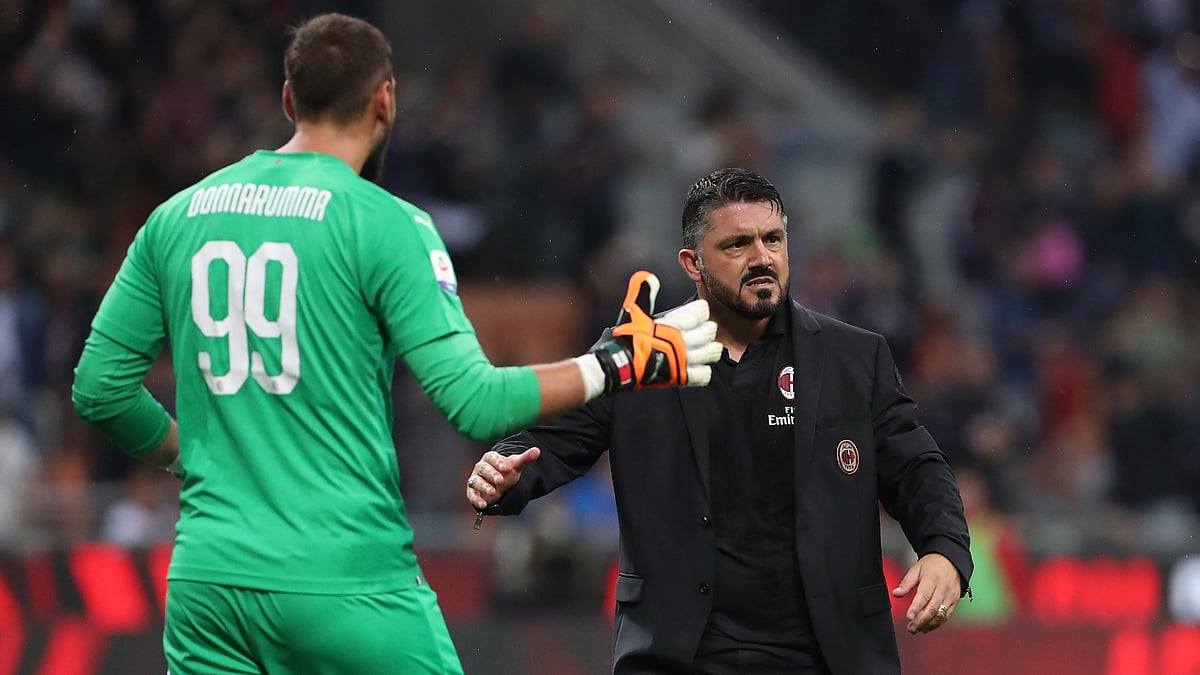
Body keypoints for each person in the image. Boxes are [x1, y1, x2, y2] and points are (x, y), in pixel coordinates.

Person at [69, 13, 720, 675]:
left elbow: (99, 389)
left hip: (209, 584)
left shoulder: (177, 217)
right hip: (346, 582)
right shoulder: (385, 223)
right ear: (386, 98)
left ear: (289, 100)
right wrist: (615, 363)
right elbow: (477, 402)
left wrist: (196, 458)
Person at [467, 167, 974, 674]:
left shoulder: (854, 358)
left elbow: (917, 468)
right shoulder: (640, 353)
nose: (762, 258)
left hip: (825, 656)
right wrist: (505, 473)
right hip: (680, 656)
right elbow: (552, 441)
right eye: (737, 245)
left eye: (773, 239)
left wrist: (945, 549)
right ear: (693, 264)